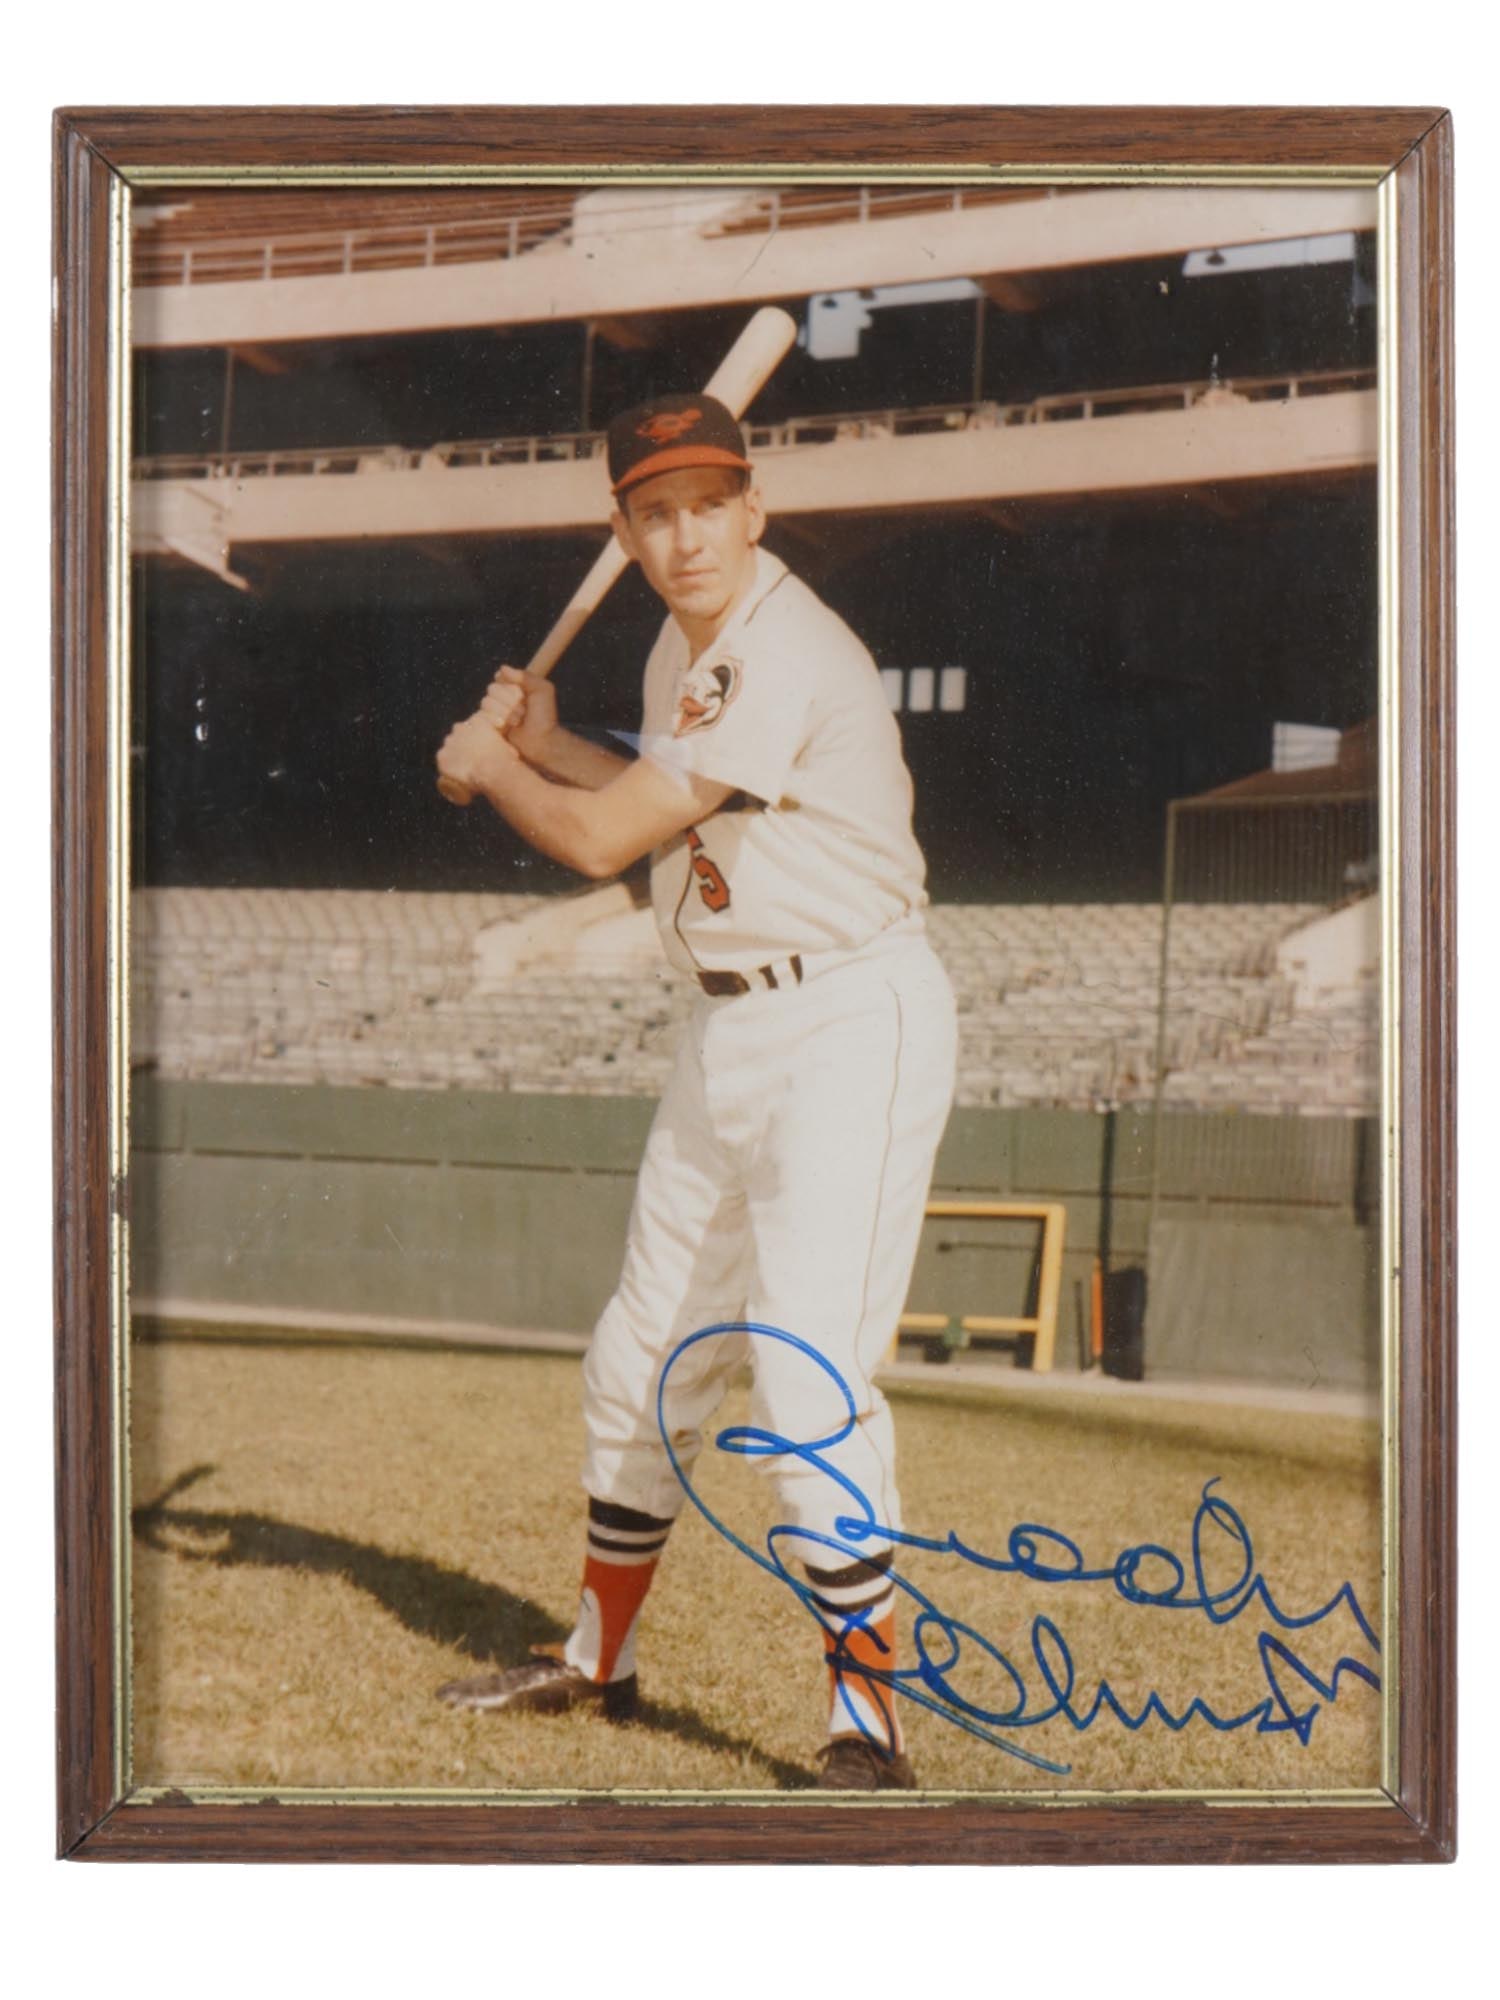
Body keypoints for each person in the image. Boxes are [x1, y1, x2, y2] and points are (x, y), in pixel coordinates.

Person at [433, 392, 957, 1790]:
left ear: (755, 509)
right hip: (726, 1023)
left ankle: (870, 1729)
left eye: (708, 504)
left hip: (848, 1014)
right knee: (637, 1354)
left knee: (801, 1375)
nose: (684, 536)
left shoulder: (782, 646)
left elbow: (611, 836)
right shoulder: (689, 643)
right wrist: (541, 739)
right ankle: (597, 1663)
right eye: (654, 512)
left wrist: (497, 771)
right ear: (626, 529)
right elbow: (664, 793)